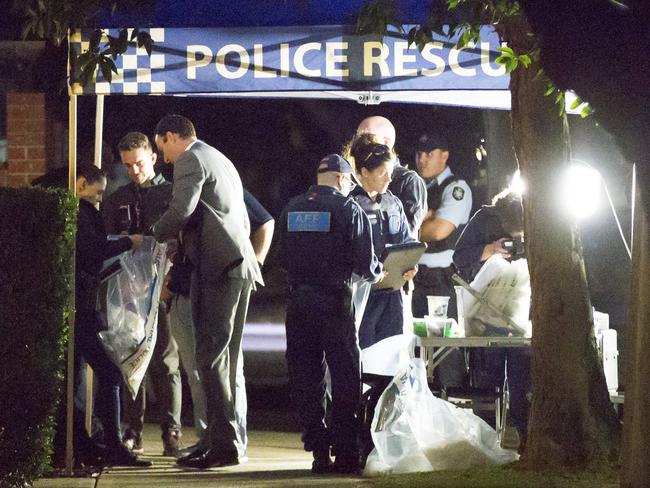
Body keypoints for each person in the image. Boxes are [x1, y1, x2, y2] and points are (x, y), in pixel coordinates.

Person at [151, 114, 262, 469]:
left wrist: (150, 235)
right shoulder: (219, 158)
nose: (165, 160)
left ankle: (223, 445)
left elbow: (181, 210)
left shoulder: (190, 159)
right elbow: (239, 217)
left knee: (211, 358)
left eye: (162, 149)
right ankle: (216, 440)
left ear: (171, 136)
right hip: (236, 265)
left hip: (221, 269)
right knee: (222, 360)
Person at [278, 154, 382, 474]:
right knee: (345, 375)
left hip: (298, 303)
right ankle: (347, 451)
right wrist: (379, 273)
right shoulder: (350, 209)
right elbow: (367, 265)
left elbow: (280, 257)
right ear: (341, 179)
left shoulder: (291, 208)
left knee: (306, 376)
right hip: (335, 301)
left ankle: (318, 449)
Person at [162, 188, 274, 459]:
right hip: (184, 287)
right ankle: (208, 439)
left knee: (227, 368)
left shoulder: (221, 190)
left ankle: (233, 439)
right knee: (198, 371)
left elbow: (265, 221)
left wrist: (256, 262)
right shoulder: (180, 192)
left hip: (212, 287)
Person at [101, 132, 183, 457]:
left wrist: (170, 279)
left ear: (152, 155)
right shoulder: (116, 198)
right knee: (132, 360)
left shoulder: (172, 193)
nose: (135, 170)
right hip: (129, 291)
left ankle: (171, 432)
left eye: (139, 162)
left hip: (163, 287)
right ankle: (133, 431)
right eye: (127, 165)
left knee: (165, 361)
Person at [64, 163, 150, 467]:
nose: (100, 199)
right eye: (97, 192)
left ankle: (85, 443)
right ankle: (109, 444)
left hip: (79, 304)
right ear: (81, 183)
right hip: (80, 307)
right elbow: (91, 250)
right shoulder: (78, 211)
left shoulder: (76, 210)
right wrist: (129, 242)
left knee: (78, 379)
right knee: (108, 374)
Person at [453, 190, 531, 450]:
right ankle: (485, 444)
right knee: (487, 384)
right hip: (484, 315)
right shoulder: (485, 218)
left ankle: (527, 441)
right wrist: (491, 250)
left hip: (520, 316)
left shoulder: (533, 220)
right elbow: (460, 258)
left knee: (521, 383)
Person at [412, 131, 472, 389]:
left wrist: (410, 229)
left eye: (430, 154)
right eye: (419, 154)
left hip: (442, 283)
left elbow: (439, 231)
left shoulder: (455, 188)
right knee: (416, 350)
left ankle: (451, 406)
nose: (422, 160)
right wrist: (425, 219)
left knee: (445, 353)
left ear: (444, 156)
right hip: (416, 280)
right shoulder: (416, 187)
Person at [352, 116, 427, 235]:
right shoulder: (350, 175)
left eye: (367, 138)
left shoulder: (408, 180)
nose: (359, 143)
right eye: (357, 137)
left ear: (386, 142)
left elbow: (407, 235)